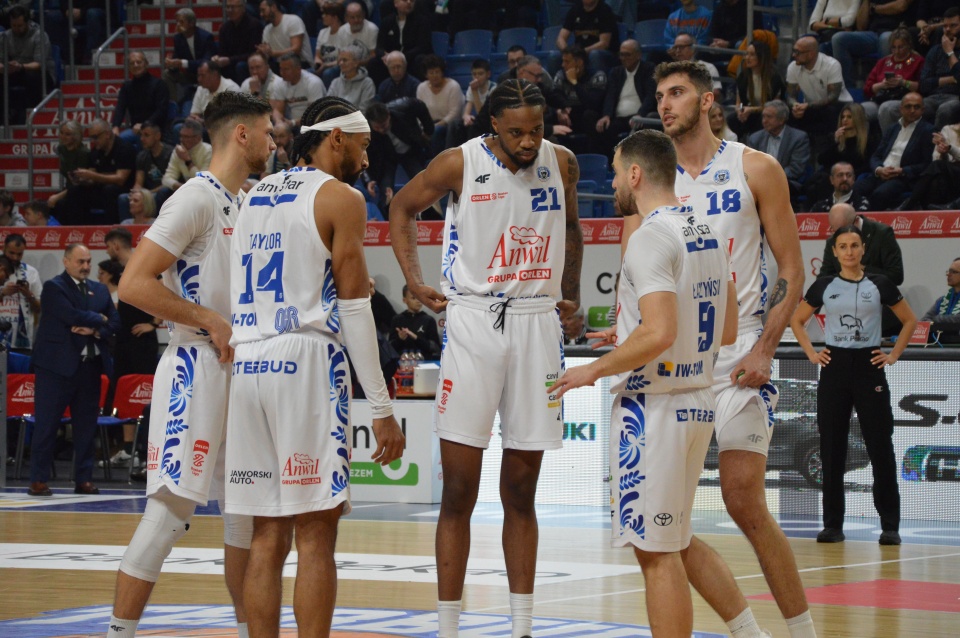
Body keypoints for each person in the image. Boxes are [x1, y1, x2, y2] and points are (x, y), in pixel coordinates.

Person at [389, 79, 583, 638]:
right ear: (492, 124)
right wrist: (414, 281)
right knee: (458, 489)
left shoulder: (563, 162)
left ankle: (521, 627)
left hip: (537, 325)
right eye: (517, 131)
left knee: (521, 490)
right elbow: (402, 207)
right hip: (473, 322)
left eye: (537, 130)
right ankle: (449, 627)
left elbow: (570, 229)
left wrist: (570, 293)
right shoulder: (458, 163)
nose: (529, 142)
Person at [552, 128, 751, 638]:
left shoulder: (648, 236)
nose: (614, 182)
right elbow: (725, 328)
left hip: (654, 409)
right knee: (677, 540)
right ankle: (752, 633)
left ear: (636, 175)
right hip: (699, 399)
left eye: (617, 172)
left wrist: (593, 369)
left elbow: (659, 331)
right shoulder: (705, 228)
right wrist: (624, 333)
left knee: (656, 555)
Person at [225, 95, 404, 637]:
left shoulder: (250, 196)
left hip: (248, 361)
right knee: (316, 533)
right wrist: (381, 407)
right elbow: (354, 313)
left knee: (266, 534)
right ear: (336, 138)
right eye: (364, 145)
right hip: (303, 361)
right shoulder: (341, 198)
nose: (367, 160)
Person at [654, 60, 816, 638]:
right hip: (675, 360)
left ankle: (804, 633)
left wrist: (766, 349)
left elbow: (793, 273)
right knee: (662, 520)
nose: (666, 103)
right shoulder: (656, 178)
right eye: (660, 95)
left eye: (677, 93)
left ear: (708, 100)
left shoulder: (756, 167)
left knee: (744, 499)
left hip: (742, 350)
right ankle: (748, 631)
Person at [105, 91, 276, 638]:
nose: (274, 142)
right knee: (167, 516)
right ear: (241, 135)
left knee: (245, 523)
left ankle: (251, 629)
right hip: (195, 368)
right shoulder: (193, 198)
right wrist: (207, 317)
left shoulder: (250, 199)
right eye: (268, 132)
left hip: (244, 374)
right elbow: (133, 284)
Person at [790, 224, 916, 546]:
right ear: (834, 252)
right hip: (834, 368)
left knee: (880, 446)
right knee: (832, 448)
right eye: (843, 246)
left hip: (869, 367)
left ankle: (890, 525)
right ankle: (833, 525)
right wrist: (811, 353)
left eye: (854, 246)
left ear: (863, 250)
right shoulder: (824, 285)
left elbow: (910, 321)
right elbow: (796, 320)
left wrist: (893, 355)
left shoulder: (881, 283)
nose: (849, 252)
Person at [28, 244, 120, 498]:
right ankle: (38, 479)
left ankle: (84, 479)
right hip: (54, 369)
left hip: (89, 368)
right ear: (66, 261)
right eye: (80, 261)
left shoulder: (99, 289)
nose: (86, 266)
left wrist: (97, 328)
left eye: (89, 261)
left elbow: (115, 322)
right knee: (46, 426)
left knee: (86, 428)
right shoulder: (54, 287)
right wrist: (98, 318)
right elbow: (69, 315)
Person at [851, 92, 934, 211]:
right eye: (908, 106)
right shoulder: (893, 128)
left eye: (916, 107)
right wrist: (879, 169)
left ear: (923, 110)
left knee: (880, 194)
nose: (912, 110)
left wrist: (902, 171)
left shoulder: (928, 130)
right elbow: (876, 156)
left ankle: (870, 225)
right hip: (881, 173)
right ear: (901, 109)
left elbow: (927, 164)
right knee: (856, 188)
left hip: (902, 178)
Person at [58, 119, 137, 225]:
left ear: (107, 134)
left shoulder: (124, 148)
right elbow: (91, 178)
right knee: (75, 192)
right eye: (91, 138)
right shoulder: (96, 151)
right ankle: (77, 231)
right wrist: (81, 179)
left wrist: (93, 176)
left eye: (96, 137)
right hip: (101, 188)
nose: (93, 141)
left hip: (124, 189)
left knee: (109, 191)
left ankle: (111, 228)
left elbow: (120, 179)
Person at [364, 98, 434, 214]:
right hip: (386, 159)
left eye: (384, 125)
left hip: (410, 152)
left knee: (423, 182)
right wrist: (368, 180)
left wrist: (428, 131)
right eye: (377, 127)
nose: (382, 130)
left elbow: (420, 105)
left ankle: (429, 216)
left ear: (389, 115)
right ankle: (389, 221)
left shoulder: (402, 108)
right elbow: (362, 155)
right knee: (386, 192)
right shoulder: (365, 130)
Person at [785, 36, 852, 148]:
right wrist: (795, 105)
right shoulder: (793, 67)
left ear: (811, 54)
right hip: (811, 107)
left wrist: (808, 106)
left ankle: (829, 151)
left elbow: (833, 97)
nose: (793, 55)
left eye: (797, 52)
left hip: (839, 105)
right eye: (794, 51)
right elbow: (791, 95)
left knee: (830, 112)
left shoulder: (832, 65)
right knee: (786, 112)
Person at [596, 40, 657, 157]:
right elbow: (610, 95)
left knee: (643, 128)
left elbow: (650, 95)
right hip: (618, 117)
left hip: (639, 116)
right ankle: (609, 165)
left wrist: (641, 114)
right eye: (621, 54)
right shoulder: (616, 72)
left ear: (638, 55)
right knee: (601, 127)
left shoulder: (649, 69)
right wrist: (606, 115)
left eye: (627, 54)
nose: (623, 58)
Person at [860, 29, 925, 133]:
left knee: (886, 108)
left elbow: (923, 86)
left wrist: (903, 82)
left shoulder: (918, 61)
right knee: (859, 110)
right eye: (893, 47)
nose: (897, 51)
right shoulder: (883, 62)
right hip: (881, 98)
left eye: (901, 47)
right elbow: (867, 89)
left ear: (908, 45)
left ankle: (888, 144)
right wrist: (882, 85)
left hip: (904, 101)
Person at [0, 5, 56, 124]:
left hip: (40, 73)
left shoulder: (39, 35)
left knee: (32, 76)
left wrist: (20, 66)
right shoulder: (6, 36)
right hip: (16, 70)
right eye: (13, 25)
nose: (16, 29)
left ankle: (32, 118)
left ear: (27, 23)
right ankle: (4, 119)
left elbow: (39, 64)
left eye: (20, 26)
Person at [746, 100, 811, 203]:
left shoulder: (798, 138)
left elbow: (796, 169)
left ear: (782, 120)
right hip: (760, 183)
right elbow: (750, 166)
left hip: (787, 183)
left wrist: (771, 177)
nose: (764, 121)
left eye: (769, 117)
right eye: (763, 116)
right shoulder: (755, 138)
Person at [111, 51, 171, 146]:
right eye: (132, 63)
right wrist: (115, 126)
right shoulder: (127, 87)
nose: (135, 65)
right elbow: (120, 108)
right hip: (135, 130)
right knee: (114, 141)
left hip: (155, 128)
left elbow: (161, 111)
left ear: (146, 64)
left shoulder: (159, 84)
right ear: (129, 67)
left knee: (143, 138)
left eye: (139, 62)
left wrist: (144, 125)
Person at [898, 120, 960, 209]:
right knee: (935, 180)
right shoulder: (948, 129)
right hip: (949, 173)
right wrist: (943, 153)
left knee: (937, 167)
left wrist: (950, 148)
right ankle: (931, 214)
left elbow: (947, 152)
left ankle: (910, 204)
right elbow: (935, 158)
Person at [731, 40, 786, 139]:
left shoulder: (774, 78)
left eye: (752, 55)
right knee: (731, 120)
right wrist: (740, 111)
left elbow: (776, 106)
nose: (747, 58)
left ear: (762, 57)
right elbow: (738, 102)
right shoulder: (743, 76)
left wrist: (752, 110)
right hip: (748, 112)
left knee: (762, 121)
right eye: (747, 54)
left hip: (768, 113)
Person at [162, 7, 218, 104]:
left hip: (206, 75)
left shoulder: (206, 37)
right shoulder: (178, 38)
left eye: (181, 22)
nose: (178, 25)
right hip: (189, 75)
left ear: (191, 23)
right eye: (177, 22)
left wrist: (182, 63)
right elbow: (177, 58)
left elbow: (206, 62)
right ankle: (173, 105)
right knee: (167, 74)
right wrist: (171, 64)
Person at [917, 7, 960, 130]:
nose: (947, 29)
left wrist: (949, 52)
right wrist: (951, 79)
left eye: (953, 25)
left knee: (945, 109)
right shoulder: (935, 50)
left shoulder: (947, 50)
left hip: (955, 98)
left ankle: (937, 147)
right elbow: (924, 84)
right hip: (933, 97)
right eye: (945, 26)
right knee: (911, 107)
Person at [416, 55, 465, 158]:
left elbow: (454, 113)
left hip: (449, 125)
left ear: (442, 72)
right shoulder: (421, 88)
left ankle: (438, 162)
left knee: (436, 132)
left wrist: (435, 126)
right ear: (426, 74)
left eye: (437, 72)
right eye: (431, 73)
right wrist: (423, 128)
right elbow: (418, 112)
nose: (434, 75)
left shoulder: (453, 86)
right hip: (428, 124)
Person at [0, 233, 42, 351]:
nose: (15, 258)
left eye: (19, 254)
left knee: (20, 370)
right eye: (11, 253)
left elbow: (39, 309)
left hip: (22, 341)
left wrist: (28, 295)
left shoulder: (31, 272)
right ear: (4, 249)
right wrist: (3, 293)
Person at [557, 0, 619, 73]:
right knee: (554, 57)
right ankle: (559, 83)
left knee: (594, 54)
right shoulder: (575, 9)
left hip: (606, 54)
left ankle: (598, 83)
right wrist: (567, 52)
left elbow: (604, 44)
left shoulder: (605, 10)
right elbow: (560, 38)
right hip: (579, 53)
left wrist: (582, 52)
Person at [211, 0, 264, 83]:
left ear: (243, 8)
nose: (230, 10)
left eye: (233, 7)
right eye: (228, 7)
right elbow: (222, 53)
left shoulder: (254, 25)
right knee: (213, 66)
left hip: (247, 63)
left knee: (240, 66)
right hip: (230, 63)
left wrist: (229, 60)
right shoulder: (224, 28)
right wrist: (217, 58)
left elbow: (253, 53)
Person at [271, 53, 327, 126]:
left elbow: (314, 114)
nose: (282, 73)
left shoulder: (313, 83)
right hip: (291, 123)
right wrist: (278, 122)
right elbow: (278, 110)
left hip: (314, 124)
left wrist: (293, 123)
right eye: (281, 69)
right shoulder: (280, 83)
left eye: (286, 69)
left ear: (298, 69)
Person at [160, 120, 213, 198]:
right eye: (181, 136)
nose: (181, 139)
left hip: (206, 192)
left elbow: (202, 182)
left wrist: (188, 161)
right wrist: (182, 188)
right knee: (163, 192)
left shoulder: (209, 151)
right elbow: (166, 178)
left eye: (186, 137)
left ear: (197, 138)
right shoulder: (178, 151)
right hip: (185, 188)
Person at [389, 284, 441, 358]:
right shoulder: (397, 320)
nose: (418, 301)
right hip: (403, 364)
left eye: (419, 298)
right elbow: (389, 348)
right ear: (405, 300)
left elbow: (435, 348)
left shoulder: (429, 320)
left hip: (425, 362)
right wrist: (400, 339)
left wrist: (416, 338)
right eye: (413, 298)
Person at [258, 0, 313, 68]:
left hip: (300, 63)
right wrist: (263, 52)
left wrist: (273, 53)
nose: (261, 14)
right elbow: (267, 55)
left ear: (273, 7)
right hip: (280, 65)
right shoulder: (267, 29)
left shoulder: (293, 21)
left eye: (263, 10)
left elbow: (296, 50)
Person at [49, 120, 91, 210]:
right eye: (61, 133)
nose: (63, 137)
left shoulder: (83, 153)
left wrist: (58, 196)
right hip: (69, 189)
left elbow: (78, 183)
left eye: (67, 134)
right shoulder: (61, 149)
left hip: (82, 190)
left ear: (76, 136)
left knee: (60, 203)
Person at [921, 257, 960, 344]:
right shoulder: (942, 300)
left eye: (953, 272)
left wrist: (935, 319)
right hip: (940, 344)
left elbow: (958, 319)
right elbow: (924, 320)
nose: (948, 274)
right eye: (949, 271)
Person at [328, 44, 375, 111]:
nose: (341, 63)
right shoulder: (335, 82)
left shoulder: (367, 83)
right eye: (340, 60)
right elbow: (328, 107)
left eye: (345, 60)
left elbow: (364, 110)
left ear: (356, 63)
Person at [313, 1, 350, 85]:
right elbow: (317, 55)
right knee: (307, 73)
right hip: (324, 65)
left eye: (326, 14)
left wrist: (325, 66)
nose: (323, 17)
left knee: (328, 73)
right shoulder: (322, 32)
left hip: (338, 66)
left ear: (335, 17)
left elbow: (342, 58)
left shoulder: (345, 32)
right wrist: (318, 64)